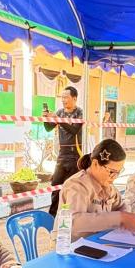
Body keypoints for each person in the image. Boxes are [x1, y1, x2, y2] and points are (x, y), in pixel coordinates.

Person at [56, 139, 135, 240]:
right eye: (111, 172)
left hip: (98, 241)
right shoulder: (77, 185)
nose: (115, 177)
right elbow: (74, 222)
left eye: (118, 172)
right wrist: (118, 217)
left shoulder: (108, 186)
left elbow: (121, 206)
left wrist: (126, 216)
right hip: (72, 245)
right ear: (95, 164)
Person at [44, 86, 83, 215]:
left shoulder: (79, 112)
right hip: (62, 154)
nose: (63, 100)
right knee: (55, 186)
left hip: (75, 155)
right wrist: (46, 118)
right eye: (62, 97)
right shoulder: (60, 112)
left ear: (74, 98)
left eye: (66, 97)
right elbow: (48, 128)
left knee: (71, 188)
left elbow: (74, 130)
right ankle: (53, 215)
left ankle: (70, 215)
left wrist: (58, 119)